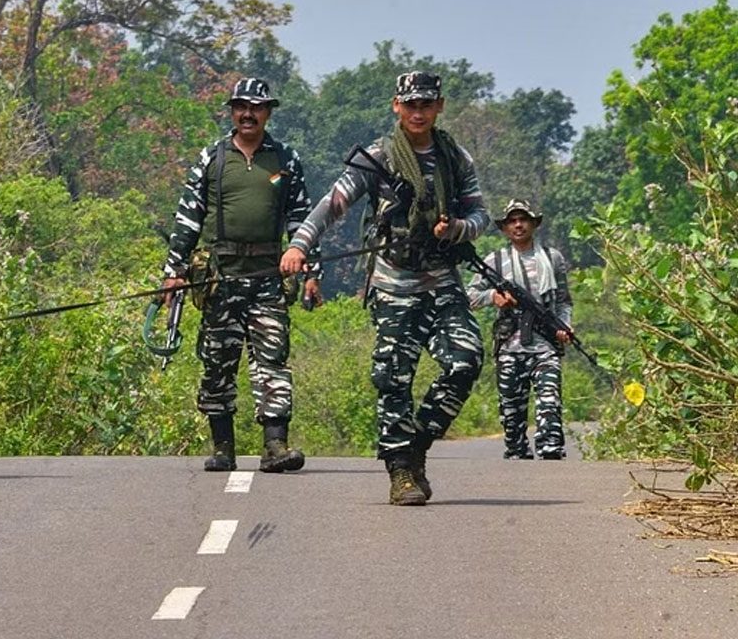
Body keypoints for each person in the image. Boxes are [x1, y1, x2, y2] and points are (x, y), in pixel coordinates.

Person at [279, 71, 490, 506]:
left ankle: (415, 446)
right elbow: (331, 204)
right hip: (394, 283)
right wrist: (300, 245)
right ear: (397, 105)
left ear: (440, 107)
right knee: (394, 379)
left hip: (443, 279)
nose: (418, 112)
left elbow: (481, 216)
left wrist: (458, 230)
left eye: (426, 104)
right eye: (410, 104)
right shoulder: (379, 157)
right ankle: (400, 474)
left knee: (466, 360)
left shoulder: (454, 157)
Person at [160, 77, 322, 474]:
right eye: (240, 107)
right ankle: (223, 448)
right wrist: (173, 272)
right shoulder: (212, 159)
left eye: (257, 107)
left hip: (269, 277)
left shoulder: (285, 160)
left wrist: (311, 270)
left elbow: (302, 219)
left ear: (268, 112)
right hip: (222, 278)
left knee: (272, 362)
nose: (248, 114)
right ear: (232, 111)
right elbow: (187, 219)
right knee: (217, 362)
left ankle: (275, 446)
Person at [468, 199, 574, 460]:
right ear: (504, 228)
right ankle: (518, 459)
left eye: (523, 219)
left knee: (549, 403)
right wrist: (493, 296)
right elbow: (469, 295)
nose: (518, 225)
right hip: (509, 348)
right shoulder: (495, 260)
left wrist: (564, 326)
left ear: (533, 224)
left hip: (545, 347)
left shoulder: (553, 258)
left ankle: (551, 451)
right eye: (512, 221)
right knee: (512, 418)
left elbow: (563, 302)